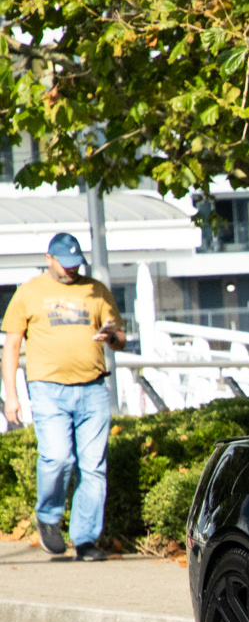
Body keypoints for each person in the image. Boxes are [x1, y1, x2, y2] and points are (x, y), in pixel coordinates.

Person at [1, 232, 126, 562]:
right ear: (49, 258)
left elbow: (120, 336)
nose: (72, 270)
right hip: (48, 389)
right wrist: (10, 396)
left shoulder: (95, 289)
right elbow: (11, 347)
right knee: (57, 458)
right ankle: (48, 517)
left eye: (76, 264)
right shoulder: (29, 293)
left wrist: (112, 335)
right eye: (66, 264)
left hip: (93, 388)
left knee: (93, 467)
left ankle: (85, 540)